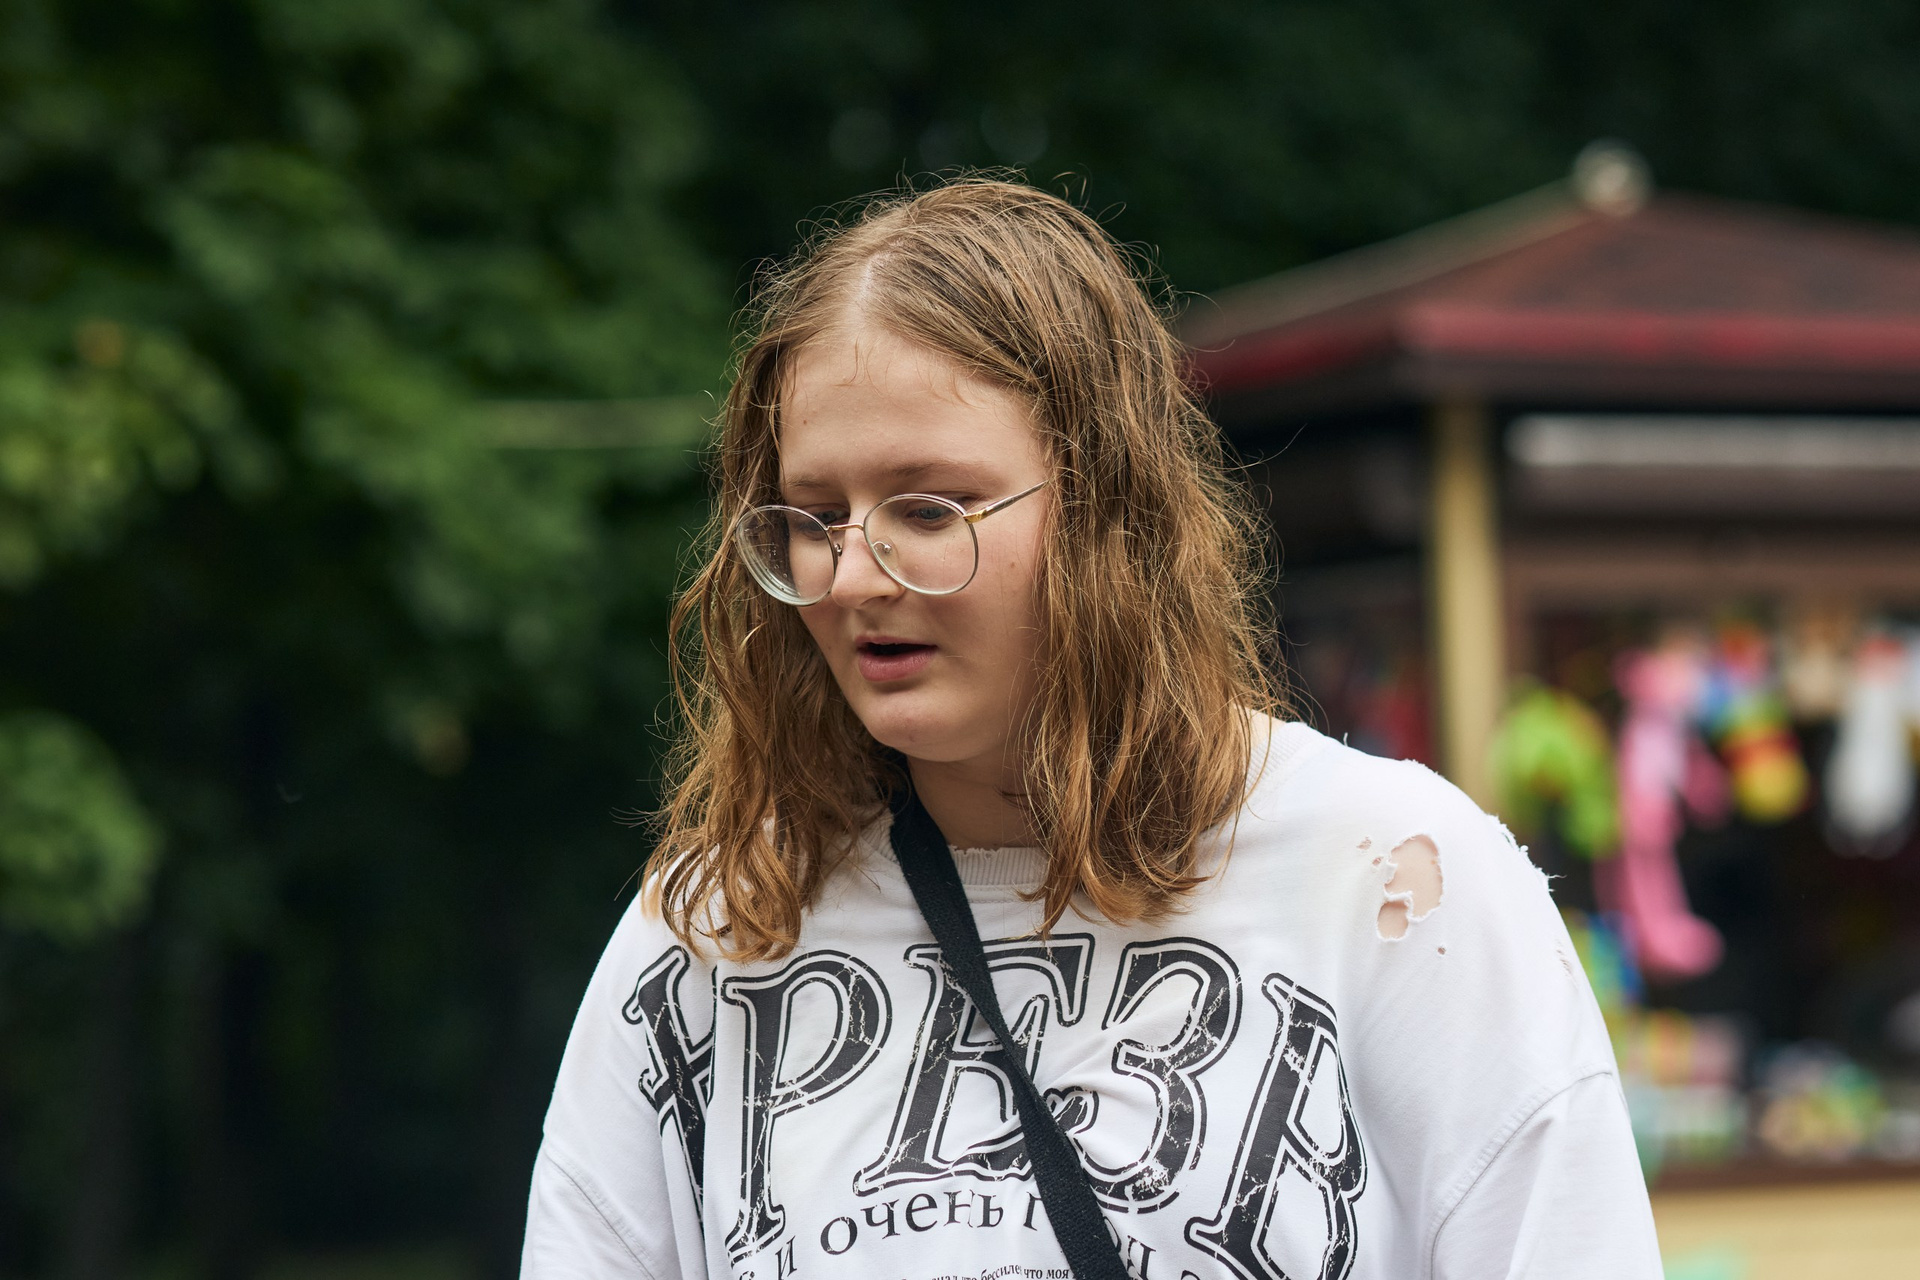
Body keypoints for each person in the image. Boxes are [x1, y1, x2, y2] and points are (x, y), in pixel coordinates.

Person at [521, 178, 1661, 1280]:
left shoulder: (1394, 881)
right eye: (815, 517)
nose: (854, 574)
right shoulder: (714, 927)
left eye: (930, 508)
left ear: (1105, 507)